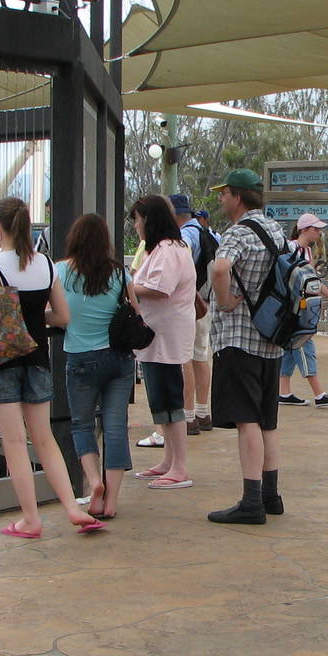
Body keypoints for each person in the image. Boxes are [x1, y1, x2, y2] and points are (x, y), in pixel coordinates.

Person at [0, 196, 104, 538]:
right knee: (44, 439)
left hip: (0, 363)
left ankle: (30, 518)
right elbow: (63, 317)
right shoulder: (45, 265)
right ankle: (72, 507)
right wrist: (31, 320)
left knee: (14, 442)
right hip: (37, 357)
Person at [206, 168, 289, 524]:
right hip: (272, 339)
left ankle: (251, 501)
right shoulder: (275, 230)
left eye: (224, 193)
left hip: (239, 338)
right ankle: (272, 496)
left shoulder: (238, 232)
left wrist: (224, 302)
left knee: (247, 421)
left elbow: (220, 267)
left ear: (237, 196)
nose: (221, 199)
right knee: (267, 421)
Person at [57, 213, 135, 520]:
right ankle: (112, 501)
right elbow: (135, 312)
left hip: (80, 357)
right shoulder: (119, 274)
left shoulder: (61, 271)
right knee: (115, 428)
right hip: (118, 359)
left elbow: (54, 312)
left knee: (82, 424)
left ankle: (94, 483)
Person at [128, 194, 197, 490]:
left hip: (165, 336)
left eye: (138, 219)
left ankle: (179, 466)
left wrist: (129, 288)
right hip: (159, 335)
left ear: (150, 220)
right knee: (161, 401)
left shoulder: (168, 249)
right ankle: (169, 461)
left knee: (170, 399)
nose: (135, 225)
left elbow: (160, 288)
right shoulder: (164, 248)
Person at [279, 212, 328, 407]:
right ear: (305, 230)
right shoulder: (289, 249)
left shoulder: (308, 253)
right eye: (316, 229)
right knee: (303, 343)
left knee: (290, 348)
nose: (318, 233)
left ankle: (284, 392)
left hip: (304, 306)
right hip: (292, 309)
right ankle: (319, 394)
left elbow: (312, 281)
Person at [171, 192, 215, 434]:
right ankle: (202, 410)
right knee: (200, 356)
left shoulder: (185, 235)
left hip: (189, 304)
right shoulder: (208, 232)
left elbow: (181, 262)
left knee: (184, 358)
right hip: (206, 304)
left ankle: (187, 416)